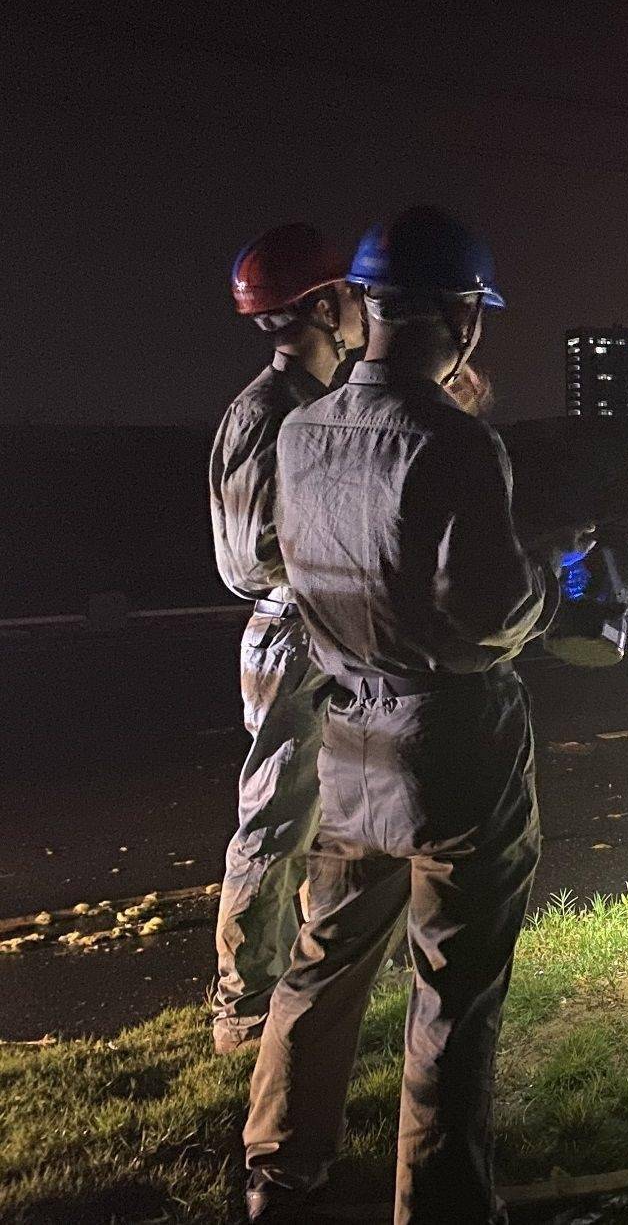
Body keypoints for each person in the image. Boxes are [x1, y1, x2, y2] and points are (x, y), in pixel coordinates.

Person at [243, 206, 558, 1224]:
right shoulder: (455, 441)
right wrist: (552, 589)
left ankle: (277, 1173)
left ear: (369, 306)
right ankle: (440, 1204)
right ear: (464, 316)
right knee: (453, 996)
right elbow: (487, 616)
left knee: (321, 964)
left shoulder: (299, 431)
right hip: (451, 751)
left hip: (345, 739)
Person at [209, 223, 365, 1055]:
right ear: (321, 306)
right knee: (276, 823)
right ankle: (243, 1009)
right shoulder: (269, 412)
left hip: (326, 632)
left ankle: (311, 987)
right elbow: (249, 557)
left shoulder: (320, 403)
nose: (363, 308)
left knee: (332, 825)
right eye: (350, 294)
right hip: (293, 634)